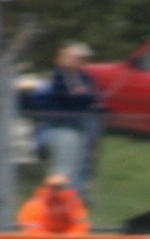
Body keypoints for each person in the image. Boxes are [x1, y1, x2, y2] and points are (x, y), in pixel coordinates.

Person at [29, 41, 102, 198]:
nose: (81, 61)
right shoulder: (57, 77)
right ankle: (56, 199)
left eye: (83, 58)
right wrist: (80, 95)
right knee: (64, 166)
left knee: (81, 163)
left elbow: (92, 96)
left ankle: (76, 197)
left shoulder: (84, 77)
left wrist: (81, 95)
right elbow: (65, 98)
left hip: (81, 126)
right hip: (61, 126)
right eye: (76, 57)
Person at [17, 173, 91, 235]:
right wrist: (49, 238)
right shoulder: (35, 204)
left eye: (61, 187)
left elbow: (81, 225)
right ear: (46, 187)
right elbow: (31, 226)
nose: (57, 190)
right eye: (53, 187)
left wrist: (69, 237)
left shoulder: (74, 204)